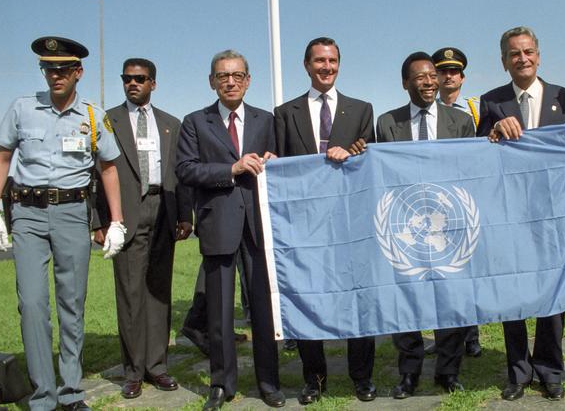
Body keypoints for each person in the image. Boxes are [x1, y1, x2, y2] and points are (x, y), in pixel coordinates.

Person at [0, 36, 125, 411]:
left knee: (72, 303)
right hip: (28, 214)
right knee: (32, 304)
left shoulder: (95, 116)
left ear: (78, 72)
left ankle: (70, 392)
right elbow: (2, 158)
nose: (55, 75)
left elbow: (109, 168)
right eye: (48, 68)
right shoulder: (22, 109)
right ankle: (42, 397)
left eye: (63, 69)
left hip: (71, 214)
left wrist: (116, 221)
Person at [478, 26, 565, 402]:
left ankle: (550, 370)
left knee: (552, 292)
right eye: (513, 54)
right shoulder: (491, 102)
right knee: (514, 291)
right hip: (510, 213)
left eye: (527, 52)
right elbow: (480, 159)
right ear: (504, 61)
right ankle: (518, 372)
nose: (521, 59)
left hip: (554, 214)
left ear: (539, 55)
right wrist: (492, 133)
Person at [176, 49, 285, 409]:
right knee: (220, 313)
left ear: (248, 80)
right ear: (212, 81)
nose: (230, 81)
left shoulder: (265, 119)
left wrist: (273, 161)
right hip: (218, 223)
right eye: (223, 76)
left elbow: (281, 163)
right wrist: (231, 169)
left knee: (263, 309)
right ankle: (222, 384)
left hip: (258, 226)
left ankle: (268, 382)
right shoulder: (195, 121)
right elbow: (186, 170)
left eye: (237, 75)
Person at [274, 36, 376, 405]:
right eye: (319, 61)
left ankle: (362, 377)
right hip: (303, 226)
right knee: (307, 299)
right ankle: (314, 378)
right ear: (306, 65)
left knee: (357, 300)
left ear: (339, 64)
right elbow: (281, 167)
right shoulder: (284, 113)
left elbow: (370, 161)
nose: (326, 67)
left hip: (350, 224)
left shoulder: (362, 109)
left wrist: (352, 151)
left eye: (332, 61)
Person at [376, 51, 474, 399]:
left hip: (449, 227)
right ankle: (409, 373)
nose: (430, 81)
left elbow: (468, 173)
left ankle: (448, 371)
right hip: (405, 228)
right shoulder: (387, 122)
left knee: (451, 301)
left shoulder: (460, 122)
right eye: (420, 76)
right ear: (406, 83)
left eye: (433, 75)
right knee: (407, 301)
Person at [94, 58, 194, 398]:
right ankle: (133, 371)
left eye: (140, 79)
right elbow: (96, 171)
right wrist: (100, 221)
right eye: (127, 78)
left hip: (163, 210)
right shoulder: (107, 120)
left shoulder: (170, 123)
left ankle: (158, 366)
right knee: (130, 293)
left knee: (158, 292)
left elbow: (179, 174)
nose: (132, 84)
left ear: (153, 83)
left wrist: (184, 215)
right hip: (125, 214)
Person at [423, 47, 482, 359]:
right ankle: (441, 334)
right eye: (441, 71)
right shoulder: (421, 111)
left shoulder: (473, 112)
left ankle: (470, 335)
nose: (447, 76)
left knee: (463, 272)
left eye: (453, 71)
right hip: (428, 206)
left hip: (458, 204)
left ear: (461, 77)